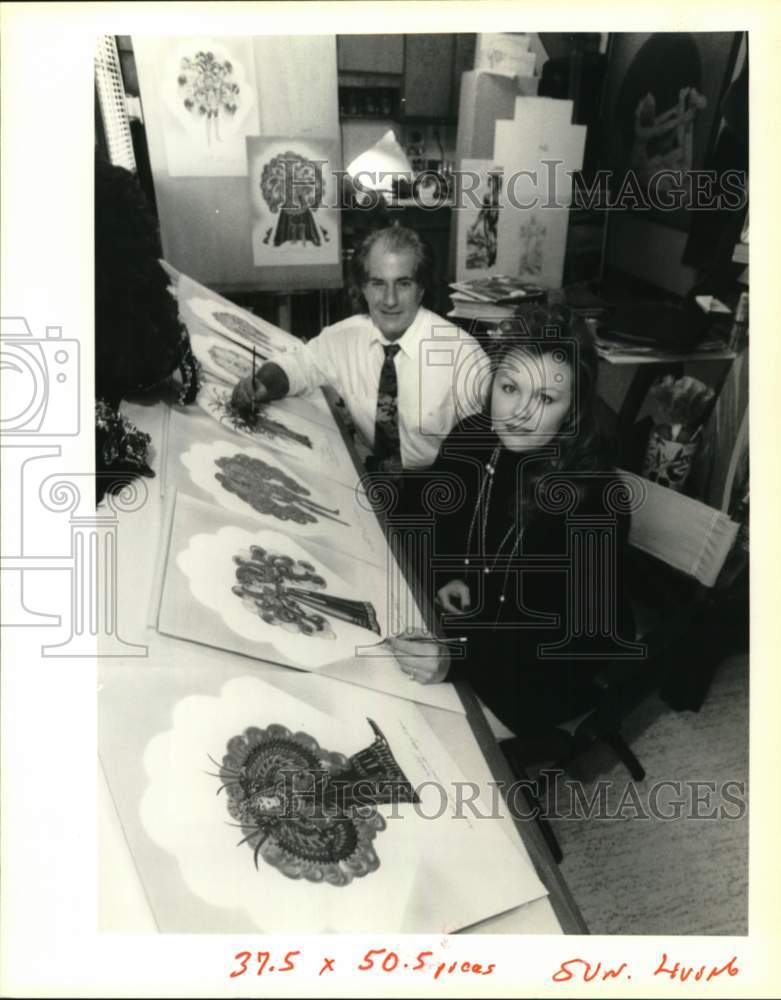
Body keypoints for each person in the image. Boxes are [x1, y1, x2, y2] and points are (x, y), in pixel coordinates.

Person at [389, 306, 639, 743]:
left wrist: (456, 659)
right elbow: (428, 520)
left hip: (546, 668)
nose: (519, 413)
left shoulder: (598, 500)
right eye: (510, 388)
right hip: (470, 628)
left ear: (574, 408)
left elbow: (574, 638)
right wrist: (445, 572)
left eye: (545, 398)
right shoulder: (474, 436)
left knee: (416, 738)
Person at [231, 226, 489, 472]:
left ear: (421, 289)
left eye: (403, 284)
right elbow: (299, 364)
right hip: (369, 479)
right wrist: (263, 383)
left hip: (440, 486)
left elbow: (483, 451)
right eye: (378, 283)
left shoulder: (463, 355)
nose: (389, 300)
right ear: (363, 288)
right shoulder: (344, 337)